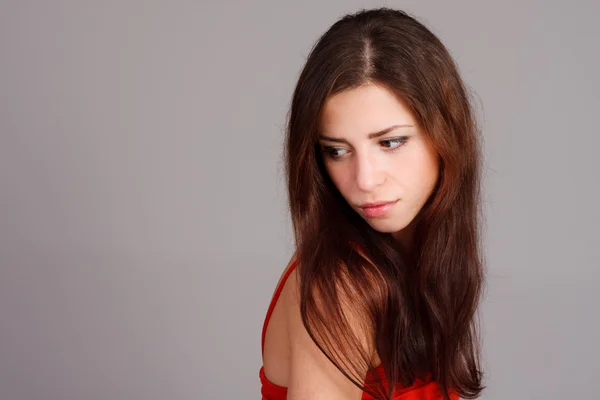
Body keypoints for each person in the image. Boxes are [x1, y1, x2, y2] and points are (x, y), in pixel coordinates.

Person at [259, 7, 486, 400]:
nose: (364, 179)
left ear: (444, 132)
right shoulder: (342, 287)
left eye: (390, 142)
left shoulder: (421, 262)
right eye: (336, 150)